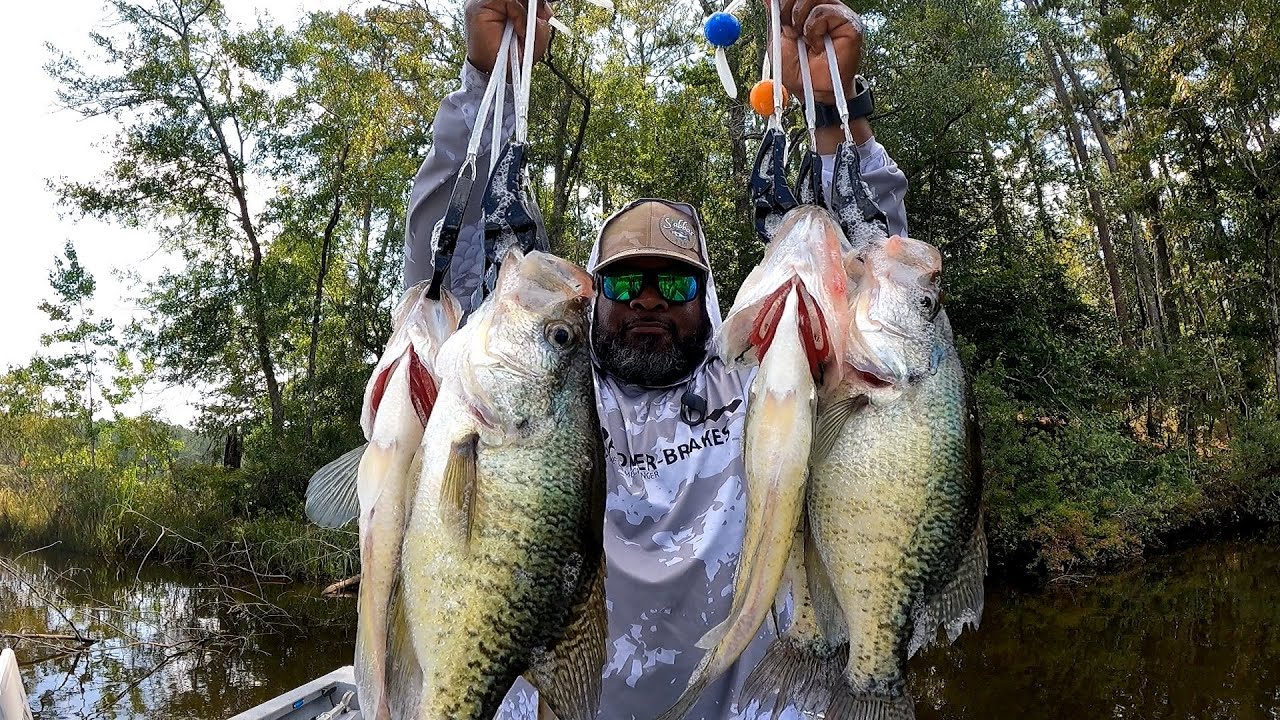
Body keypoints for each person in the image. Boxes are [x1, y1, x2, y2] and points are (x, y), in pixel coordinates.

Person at [404, 1, 909, 717]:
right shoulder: (555, 395)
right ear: (593, 297)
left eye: (673, 282)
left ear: (707, 298)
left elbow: (881, 289)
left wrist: (833, 108)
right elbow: (440, 269)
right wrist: (486, 79)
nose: (646, 299)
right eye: (623, 281)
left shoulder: (762, 389)